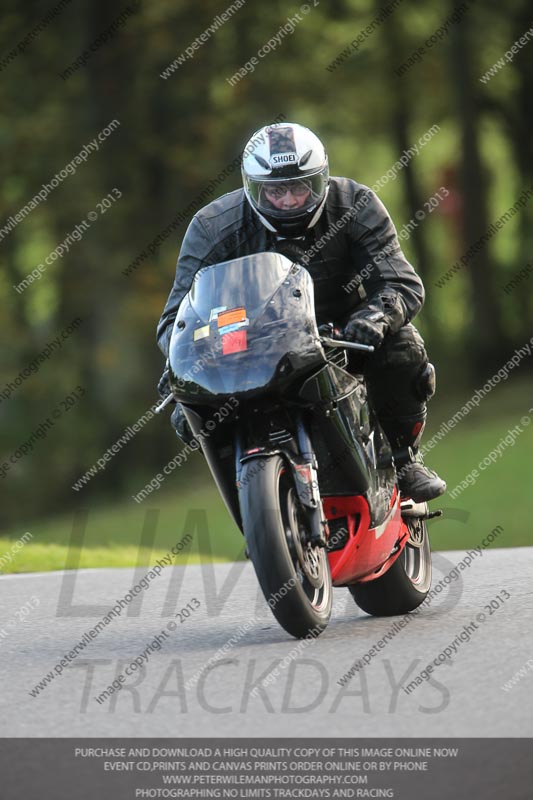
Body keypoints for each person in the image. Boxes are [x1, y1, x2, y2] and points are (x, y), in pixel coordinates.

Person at [157, 122, 446, 503]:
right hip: (250, 349)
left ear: (321, 179)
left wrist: (374, 318)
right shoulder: (212, 227)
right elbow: (176, 318)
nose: (290, 200)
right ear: (253, 188)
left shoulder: (355, 204)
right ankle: (252, 495)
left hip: (342, 337)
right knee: (186, 411)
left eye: (300, 186)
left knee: (403, 347)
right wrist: (189, 357)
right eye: (275, 191)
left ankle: (403, 458)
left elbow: (401, 282)